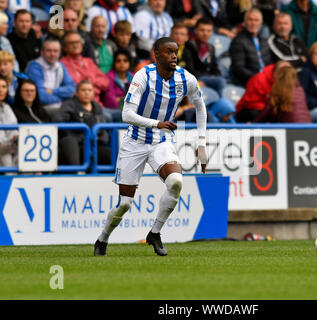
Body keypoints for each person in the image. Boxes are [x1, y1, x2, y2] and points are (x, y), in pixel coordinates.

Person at [94, 37, 208, 257]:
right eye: (168, 52)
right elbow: (126, 114)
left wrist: (201, 144)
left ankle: (154, 233)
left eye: (175, 52)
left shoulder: (186, 79)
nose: (174, 56)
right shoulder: (143, 76)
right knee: (125, 204)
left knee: (175, 181)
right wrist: (157, 123)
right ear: (156, 54)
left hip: (161, 141)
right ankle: (103, 239)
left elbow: (200, 108)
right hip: (134, 142)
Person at [52, 80, 111, 166]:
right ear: (77, 92)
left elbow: (103, 128)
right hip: (76, 144)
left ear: (93, 93)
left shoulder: (97, 106)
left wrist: (100, 139)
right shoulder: (69, 105)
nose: (86, 93)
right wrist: (76, 135)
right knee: (71, 144)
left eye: (89, 90)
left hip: (94, 144)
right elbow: (57, 120)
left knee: (109, 155)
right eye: (83, 90)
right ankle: (77, 174)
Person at [26, 37, 76, 116]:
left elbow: (72, 89)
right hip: (41, 107)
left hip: (60, 106)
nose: (52, 54)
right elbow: (40, 96)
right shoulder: (34, 66)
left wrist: (53, 91)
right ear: (42, 52)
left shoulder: (60, 66)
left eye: (55, 51)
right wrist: (63, 99)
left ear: (59, 53)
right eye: (49, 51)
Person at [60, 31, 109, 106]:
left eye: (77, 42)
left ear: (82, 45)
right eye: (71, 43)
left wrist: (91, 82)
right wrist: (93, 85)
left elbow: (105, 82)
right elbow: (74, 87)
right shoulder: (62, 64)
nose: (75, 45)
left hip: (97, 104)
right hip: (77, 105)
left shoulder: (88, 61)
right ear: (65, 48)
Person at [183, 17, 226, 96]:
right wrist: (197, 80)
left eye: (208, 31)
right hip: (196, 77)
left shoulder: (211, 48)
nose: (205, 33)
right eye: (202, 30)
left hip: (207, 77)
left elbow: (214, 67)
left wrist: (215, 75)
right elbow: (189, 68)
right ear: (195, 31)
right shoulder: (189, 45)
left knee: (221, 79)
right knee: (220, 82)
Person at [229, 8, 272, 86]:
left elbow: (269, 64)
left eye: (256, 20)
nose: (253, 23)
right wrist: (258, 78)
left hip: (267, 80)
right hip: (250, 82)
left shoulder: (264, 41)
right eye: (250, 20)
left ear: (261, 23)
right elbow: (238, 68)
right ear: (244, 22)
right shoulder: (238, 41)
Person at [102, 48, 133, 121]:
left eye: (125, 60)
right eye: (118, 61)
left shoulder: (134, 77)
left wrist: (120, 99)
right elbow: (110, 100)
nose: (122, 63)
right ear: (114, 63)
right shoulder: (108, 77)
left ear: (129, 63)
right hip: (114, 112)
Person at [0, 75, 18, 167]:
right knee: (5, 154)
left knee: (23, 150)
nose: (1, 90)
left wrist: (14, 137)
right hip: (3, 146)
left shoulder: (6, 107)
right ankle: (10, 177)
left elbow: (13, 128)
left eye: (3, 87)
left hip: (9, 145)